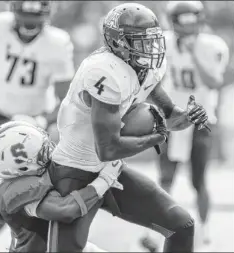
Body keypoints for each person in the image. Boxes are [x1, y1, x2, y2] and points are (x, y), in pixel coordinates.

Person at [43, 3, 209, 252]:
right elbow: (108, 148)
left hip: (111, 171)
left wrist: (188, 117)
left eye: (152, 40)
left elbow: (170, 117)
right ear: (120, 43)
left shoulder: (146, 68)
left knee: (181, 224)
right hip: (75, 172)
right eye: (141, 41)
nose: (151, 48)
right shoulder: (103, 71)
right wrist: (156, 137)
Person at [0, 1, 75, 251]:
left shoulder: (57, 42)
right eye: (24, 16)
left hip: (33, 122)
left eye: (34, 18)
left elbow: (64, 98)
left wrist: (42, 124)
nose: (28, 24)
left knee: (14, 185)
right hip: (0, 112)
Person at [140, 1, 230, 251]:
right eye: (183, 19)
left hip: (200, 121)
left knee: (198, 181)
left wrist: (192, 53)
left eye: (192, 19)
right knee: (165, 178)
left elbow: (214, 82)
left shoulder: (212, 45)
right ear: (173, 20)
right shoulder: (162, 42)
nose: (188, 25)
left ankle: (207, 231)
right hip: (170, 118)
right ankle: (157, 234)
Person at [0, 121, 111, 252]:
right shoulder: (20, 191)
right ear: (22, 168)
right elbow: (66, 210)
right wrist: (105, 180)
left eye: (45, 146)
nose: (51, 151)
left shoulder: (29, 173)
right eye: (42, 153)